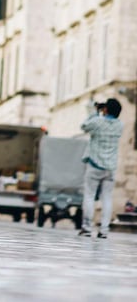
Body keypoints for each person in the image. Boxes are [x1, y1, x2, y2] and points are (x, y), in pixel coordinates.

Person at [79, 97, 124, 239]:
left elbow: (84, 126)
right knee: (107, 198)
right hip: (110, 167)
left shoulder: (98, 122)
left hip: (94, 164)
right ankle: (104, 230)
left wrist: (93, 112)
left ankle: (86, 228)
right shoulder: (120, 125)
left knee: (90, 196)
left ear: (106, 109)